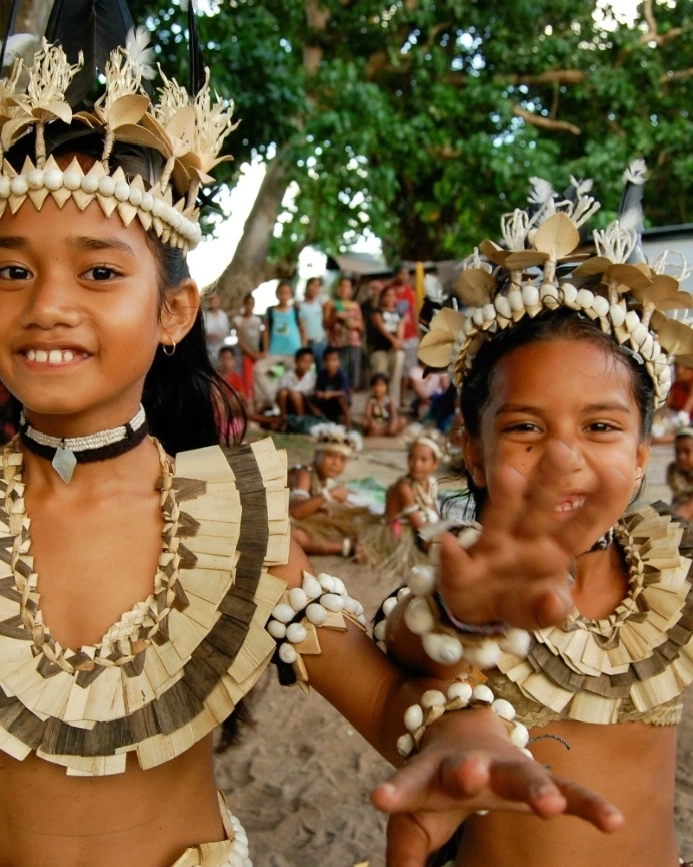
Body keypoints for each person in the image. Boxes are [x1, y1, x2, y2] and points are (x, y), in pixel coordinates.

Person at [0, 12, 627, 867]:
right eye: (11, 269)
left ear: (174, 312)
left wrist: (455, 733)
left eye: (100, 270)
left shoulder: (230, 522)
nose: (48, 304)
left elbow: (386, 699)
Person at [371, 174, 693, 867]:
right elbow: (406, 641)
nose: (562, 461)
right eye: (524, 428)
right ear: (473, 454)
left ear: (641, 454)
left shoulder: (672, 582)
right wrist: (463, 615)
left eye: (600, 426)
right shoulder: (454, 585)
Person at [362, 432, 442, 578]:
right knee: (437, 549)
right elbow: (418, 525)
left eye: (424, 460)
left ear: (436, 464)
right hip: (400, 529)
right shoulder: (404, 487)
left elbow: (432, 509)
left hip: (420, 524)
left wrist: (441, 526)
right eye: (412, 458)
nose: (416, 464)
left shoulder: (431, 483)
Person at [289, 424, 371, 558]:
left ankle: (354, 543)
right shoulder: (303, 474)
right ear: (317, 454)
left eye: (342, 459)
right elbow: (296, 512)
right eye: (330, 456)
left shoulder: (323, 480)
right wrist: (330, 494)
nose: (336, 463)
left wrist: (318, 508)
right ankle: (343, 547)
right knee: (292, 535)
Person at [253, 281, 306, 412]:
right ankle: (270, 399)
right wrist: (265, 349)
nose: (284, 295)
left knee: (292, 378)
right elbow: (265, 331)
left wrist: (304, 349)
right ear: (277, 294)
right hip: (274, 352)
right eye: (281, 292)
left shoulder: (296, 310)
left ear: (291, 294)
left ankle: (291, 408)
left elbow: (302, 329)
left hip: (294, 352)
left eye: (287, 292)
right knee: (259, 369)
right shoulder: (270, 311)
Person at [325, 275, 364, 391]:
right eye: (341, 286)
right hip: (336, 343)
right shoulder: (331, 304)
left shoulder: (355, 305)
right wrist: (336, 317)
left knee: (353, 370)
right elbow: (325, 324)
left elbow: (361, 326)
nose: (344, 289)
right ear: (337, 288)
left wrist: (354, 325)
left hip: (353, 342)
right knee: (338, 371)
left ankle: (350, 394)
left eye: (347, 286)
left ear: (351, 289)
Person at [388, 265, 419, 407]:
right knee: (395, 369)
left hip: (410, 335)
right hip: (394, 337)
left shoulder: (410, 292)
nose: (406, 277)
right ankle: (391, 398)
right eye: (403, 274)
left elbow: (413, 312)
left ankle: (402, 398)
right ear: (397, 275)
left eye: (407, 274)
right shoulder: (389, 291)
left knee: (408, 369)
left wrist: (418, 332)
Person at [370, 285, 405, 401]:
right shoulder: (376, 311)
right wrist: (393, 340)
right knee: (380, 378)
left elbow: (401, 328)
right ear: (382, 297)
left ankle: (393, 404)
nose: (390, 298)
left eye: (393, 295)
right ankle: (378, 406)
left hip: (396, 351)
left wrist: (398, 342)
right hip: (380, 350)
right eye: (387, 295)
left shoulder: (399, 313)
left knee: (395, 379)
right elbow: (381, 328)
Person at [232, 293, 264, 407]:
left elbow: (262, 335)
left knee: (257, 381)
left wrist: (261, 353)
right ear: (244, 304)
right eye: (248, 304)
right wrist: (250, 354)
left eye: (252, 304)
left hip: (256, 355)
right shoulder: (238, 320)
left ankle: (257, 405)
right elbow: (240, 339)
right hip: (244, 356)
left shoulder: (257, 320)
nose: (250, 306)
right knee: (246, 381)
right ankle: (248, 406)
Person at [309, 346, 352, 427]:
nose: (330, 363)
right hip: (326, 402)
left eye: (333, 360)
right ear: (324, 362)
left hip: (338, 402)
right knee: (310, 398)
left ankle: (348, 424)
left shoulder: (341, 375)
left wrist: (331, 394)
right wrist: (320, 394)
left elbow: (344, 391)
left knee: (341, 398)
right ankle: (324, 420)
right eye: (327, 360)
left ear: (339, 362)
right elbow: (318, 389)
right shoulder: (322, 374)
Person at [276, 346, 317, 422]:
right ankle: (283, 419)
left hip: (305, 406)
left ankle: (301, 420)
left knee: (296, 395)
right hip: (290, 405)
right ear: (296, 361)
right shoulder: (287, 375)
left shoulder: (313, 377)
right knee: (283, 392)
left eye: (309, 362)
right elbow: (280, 393)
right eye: (303, 361)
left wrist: (296, 394)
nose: (306, 365)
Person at [362, 372, 406, 437]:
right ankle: (385, 433)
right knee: (364, 423)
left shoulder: (390, 400)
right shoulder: (371, 400)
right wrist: (372, 423)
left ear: (386, 387)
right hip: (376, 424)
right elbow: (368, 415)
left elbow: (394, 415)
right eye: (375, 385)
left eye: (381, 385)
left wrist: (393, 424)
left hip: (387, 424)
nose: (378, 388)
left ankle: (380, 433)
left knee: (402, 421)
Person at [299, 276, 328, 367]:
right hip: (308, 343)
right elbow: (301, 326)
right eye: (313, 285)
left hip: (322, 342)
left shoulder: (320, 305)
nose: (316, 288)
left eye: (318, 286)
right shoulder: (300, 306)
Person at [667, 427, 693, 521]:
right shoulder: (673, 471)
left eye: (687, 451)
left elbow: (688, 510)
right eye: (677, 451)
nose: (681, 457)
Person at [202, 291, 231, 367]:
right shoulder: (204, 316)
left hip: (221, 348)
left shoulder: (223, 315)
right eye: (211, 299)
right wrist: (208, 336)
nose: (213, 301)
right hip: (208, 350)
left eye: (215, 299)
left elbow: (227, 330)